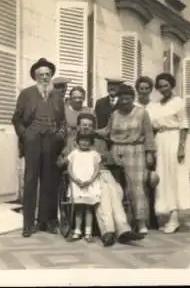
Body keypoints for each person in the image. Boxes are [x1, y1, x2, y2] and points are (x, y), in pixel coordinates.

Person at [58, 113, 145, 246]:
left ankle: (116, 231)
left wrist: (106, 157)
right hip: (85, 176)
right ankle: (115, 231)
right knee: (104, 193)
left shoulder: (100, 142)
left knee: (114, 191)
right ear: (78, 126)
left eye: (90, 125)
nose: (86, 128)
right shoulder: (72, 141)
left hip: (103, 171)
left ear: (94, 127)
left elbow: (112, 160)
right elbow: (61, 161)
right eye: (84, 125)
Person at [12, 58, 66, 237]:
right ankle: (28, 223)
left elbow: (63, 120)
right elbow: (17, 118)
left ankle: (47, 221)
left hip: (52, 140)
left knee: (49, 180)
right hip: (33, 139)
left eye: (47, 74)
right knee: (30, 180)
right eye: (41, 75)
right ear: (35, 77)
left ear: (51, 76)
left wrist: (60, 134)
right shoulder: (26, 94)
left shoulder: (57, 95)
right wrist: (25, 135)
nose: (44, 77)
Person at [96, 84, 156, 235]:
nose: (124, 102)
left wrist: (150, 153)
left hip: (135, 150)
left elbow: (148, 134)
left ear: (133, 98)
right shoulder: (115, 114)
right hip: (116, 150)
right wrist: (91, 131)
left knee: (137, 186)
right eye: (122, 99)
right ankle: (122, 223)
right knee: (117, 188)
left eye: (128, 99)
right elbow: (107, 132)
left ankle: (141, 222)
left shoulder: (142, 113)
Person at [149, 72, 190, 234]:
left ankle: (174, 218)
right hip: (159, 141)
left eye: (165, 85)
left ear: (172, 85)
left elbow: (184, 125)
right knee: (162, 179)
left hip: (174, 139)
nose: (163, 89)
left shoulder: (178, 102)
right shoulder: (156, 105)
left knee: (175, 178)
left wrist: (181, 147)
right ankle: (165, 216)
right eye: (160, 86)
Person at [66, 132, 102, 243]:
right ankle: (77, 231)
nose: (84, 143)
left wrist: (90, 180)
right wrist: (76, 180)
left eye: (87, 141)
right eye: (82, 140)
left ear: (91, 142)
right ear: (77, 141)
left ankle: (88, 232)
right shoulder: (74, 154)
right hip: (77, 184)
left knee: (89, 209)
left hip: (90, 184)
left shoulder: (94, 154)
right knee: (78, 209)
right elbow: (70, 169)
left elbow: (97, 169)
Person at [135, 75, 160, 230]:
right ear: (137, 90)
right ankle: (139, 217)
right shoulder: (133, 105)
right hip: (137, 147)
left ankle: (153, 216)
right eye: (141, 89)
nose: (143, 92)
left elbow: (157, 125)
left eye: (146, 89)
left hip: (152, 145)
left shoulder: (155, 106)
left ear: (151, 90)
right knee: (139, 183)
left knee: (151, 181)